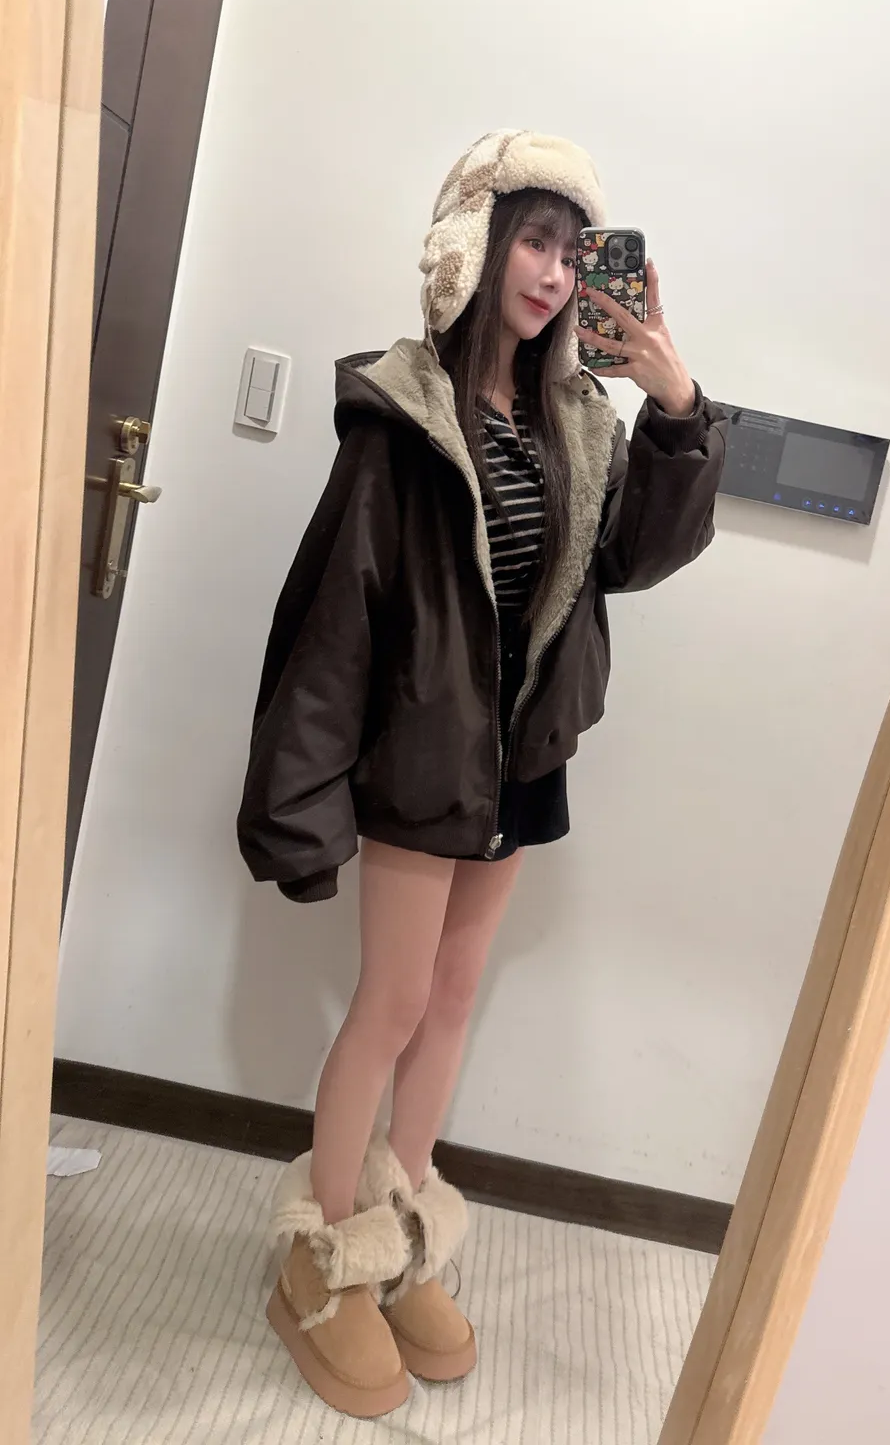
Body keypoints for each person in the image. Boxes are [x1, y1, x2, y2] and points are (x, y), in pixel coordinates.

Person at [237, 129, 727, 1418]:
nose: (556, 274)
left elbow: (635, 560)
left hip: (522, 763)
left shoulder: (578, 420)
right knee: (391, 1004)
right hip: (423, 755)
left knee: (452, 1001)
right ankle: (320, 1262)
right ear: (477, 246)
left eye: (574, 252)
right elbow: (336, 617)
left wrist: (676, 404)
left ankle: (398, 1238)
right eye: (534, 241)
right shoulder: (404, 416)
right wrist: (297, 808)